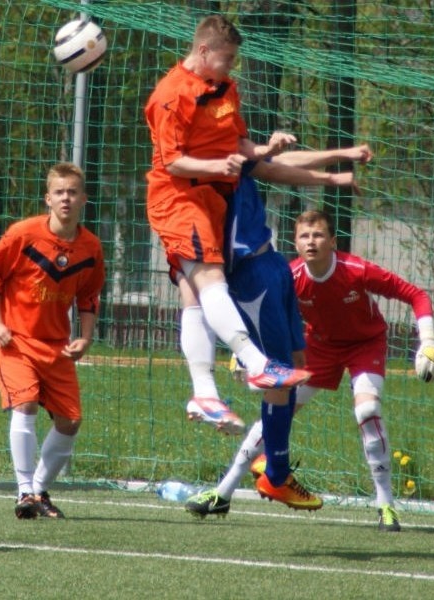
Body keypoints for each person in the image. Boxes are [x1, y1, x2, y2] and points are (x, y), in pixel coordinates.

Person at [188, 208, 434, 532]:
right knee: (277, 406)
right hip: (318, 347)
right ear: (295, 243)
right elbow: (261, 319)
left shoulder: (356, 270)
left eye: (319, 235)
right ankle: (223, 493)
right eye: (304, 236)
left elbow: (415, 295)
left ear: (333, 241)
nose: (312, 242)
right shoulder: (290, 277)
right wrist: (244, 355)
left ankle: (385, 505)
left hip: (364, 345)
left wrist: (429, 340)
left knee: (367, 410)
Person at [182, 146, 372, 511]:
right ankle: (277, 472)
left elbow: (277, 163)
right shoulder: (209, 167)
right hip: (252, 276)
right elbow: (274, 166)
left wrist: (341, 157)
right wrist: (331, 172)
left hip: (273, 266)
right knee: (279, 379)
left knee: (297, 365)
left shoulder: (228, 155)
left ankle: (267, 470)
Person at [144, 13, 311, 407]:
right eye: (228, 58)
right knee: (211, 279)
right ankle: (256, 362)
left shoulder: (225, 88)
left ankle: (204, 394)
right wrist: (217, 167)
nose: (231, 66)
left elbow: (238, 144)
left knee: (196, 294)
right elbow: (173, 162)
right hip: (178, 199)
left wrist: (266, 149)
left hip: (213, 202)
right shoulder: (170, 95)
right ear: (203, 50)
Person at [0, 162, 105, 519]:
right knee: (27, 405)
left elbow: (90, 297)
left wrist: (86, 337)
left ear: (84, 199)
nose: (66, 198)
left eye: (73, 192)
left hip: (56, 345)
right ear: (48, 198)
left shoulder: (91, 248)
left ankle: (39, 490)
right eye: (59, 192)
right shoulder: (22, 235)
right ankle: (24, 492)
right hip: (14, 340)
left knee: (70, 421)